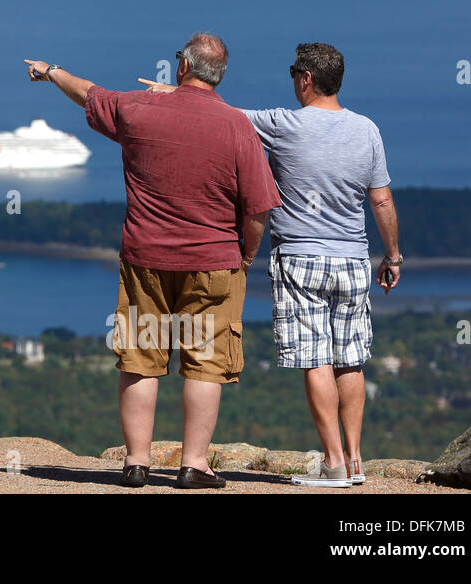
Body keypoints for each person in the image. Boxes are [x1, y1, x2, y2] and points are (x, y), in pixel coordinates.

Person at [26, 33, 280, 489]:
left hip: (145, 259)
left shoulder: (139, 108)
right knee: (204, 362)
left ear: (181, 66)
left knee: (140, 358)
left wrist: (50, 71)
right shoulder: (237, 125)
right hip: (213, 262)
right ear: (219, 75)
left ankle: (137, 462)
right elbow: (259, 207)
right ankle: (193, 464)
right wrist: (246, 254)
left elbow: (89, 93)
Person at [193, 42, 397, 487]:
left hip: (300, 257)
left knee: (316, 359)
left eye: (293, 74)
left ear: (305, 79)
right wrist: (393, 256)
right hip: (353, 259)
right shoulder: (367, 130)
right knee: (351, 360)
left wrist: (173, 94)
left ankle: (333, 462)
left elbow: (223, 114)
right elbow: (380, 199)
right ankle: (357, 460)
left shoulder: (283, 124)